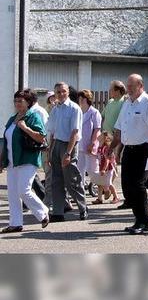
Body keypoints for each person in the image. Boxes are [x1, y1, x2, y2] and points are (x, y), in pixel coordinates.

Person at [111, 74, 148, 235]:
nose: (128, 89)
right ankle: (138, 219)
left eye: (132, 86)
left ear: (140, 85)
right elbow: (119, 130)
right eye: (128, 86)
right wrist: (113, 148)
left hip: (145, 149)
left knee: (138, 185)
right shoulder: (127, 103)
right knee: (127, 185)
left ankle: (143, 222)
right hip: (129, 149)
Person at [0, 89, 50, 233]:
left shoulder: (32, 116)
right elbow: (7, 140)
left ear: (28, 102)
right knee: (13, 193)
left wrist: (25, 128)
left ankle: (43, 212)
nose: (17, 103)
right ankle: (15, 223)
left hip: (27, 158)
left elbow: (41, 137)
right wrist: (2, 160)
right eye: (15, 101)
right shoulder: (12, 118)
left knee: (24, 190)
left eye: (20, 101)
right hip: (12, 161)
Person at [47, 82, 87, 222]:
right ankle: (58, 212)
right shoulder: (55, 109)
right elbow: (52, 132)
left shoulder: (74, 108)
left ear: (68, 92)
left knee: (72, 179)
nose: (61, 94)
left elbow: (75, 132)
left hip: (69, 144)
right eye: (58, 92)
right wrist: (50, 152)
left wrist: (68, 153)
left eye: (63, 91)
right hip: (57, 144)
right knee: (56, 181)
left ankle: (82, 207)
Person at [77, 89, 102, 191]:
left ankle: (103, 186)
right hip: (80, 145)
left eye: (83, 98)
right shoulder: (78, 111)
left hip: (90, 145)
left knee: (92, 170)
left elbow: (97, 129)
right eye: (80, 98)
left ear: (88, 99)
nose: (81, 100)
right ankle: (80, 191)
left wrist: (92, 144)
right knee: (79, 170)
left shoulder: (94, 112)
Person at [92, 133, 120, 205]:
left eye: (101, 136)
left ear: (105, 138)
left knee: (108, 183)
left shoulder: (105, 148)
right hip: (101, 168)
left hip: (108, 169)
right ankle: (99, 198)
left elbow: (107, 160)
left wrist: (104, 169)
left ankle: (116, 197)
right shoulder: (99, 147)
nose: (98, 136)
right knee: (100, 183)